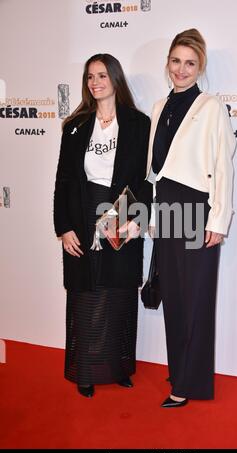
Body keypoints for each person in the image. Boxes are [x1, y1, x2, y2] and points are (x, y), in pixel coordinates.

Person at [146, 29, 236, 407]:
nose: (181, 70)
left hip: (197, 207)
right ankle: (179, 369)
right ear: (167, 62)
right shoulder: (158, 106)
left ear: (200, 68)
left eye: (190, 63)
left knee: (197, 297)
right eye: (176, 61)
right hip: (166, 205)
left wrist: (219, 219)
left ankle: (190, 383)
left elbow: (222, 164)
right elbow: (155, 169)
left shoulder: (211, 106)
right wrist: (151, 214)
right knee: (175, 296)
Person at [54, 53, 151, 398]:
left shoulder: (139, 124)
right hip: (81, 219)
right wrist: (64, 228)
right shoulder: (75, 125)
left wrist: (135, 218)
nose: (95, 82)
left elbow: (146, 180)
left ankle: (118, 368)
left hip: (121, 218)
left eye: (102, 76)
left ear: (115, 79)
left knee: (119, 295)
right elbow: (63, 181)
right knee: (86, 296)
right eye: (90, 77)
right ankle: (85, 372)